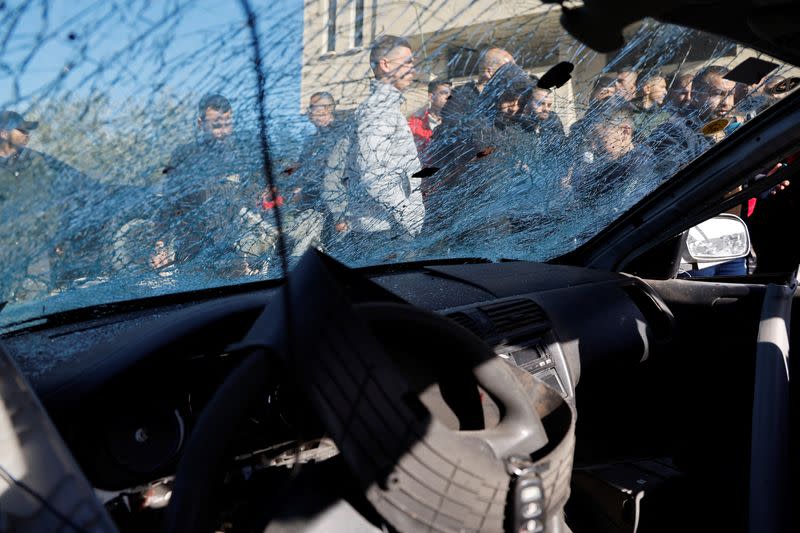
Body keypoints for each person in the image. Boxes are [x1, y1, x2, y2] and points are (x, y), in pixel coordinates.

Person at [150, 94, 275, 274]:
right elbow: (169, 203)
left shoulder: (242, 155)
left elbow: (253, 198)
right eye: (216, 126)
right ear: (201, 124)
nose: (223, 131)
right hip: (192, 252)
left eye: (227, 124)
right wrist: (160, 247)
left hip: (234, 248)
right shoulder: (184, 155)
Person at [341, 35, 424, 260]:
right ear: (385, 64)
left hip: (389, 229)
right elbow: (373, 174)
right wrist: (408, 215)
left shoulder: (388, 108)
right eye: (407, 62)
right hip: (381, 233)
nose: (413, 70)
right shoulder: (377, 109)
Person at [408, 80, 451, 161]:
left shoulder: (455, 120)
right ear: (431, 97)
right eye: (444, 93)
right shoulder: (415, 124)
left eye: (450, 93)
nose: (449, 97)